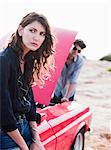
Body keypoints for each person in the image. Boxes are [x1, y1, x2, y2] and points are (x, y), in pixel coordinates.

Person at [0, 12, 55, 150]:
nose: (36, 37)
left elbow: (29, 100)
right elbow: (4, 111)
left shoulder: (28, 60)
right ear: (20, 30)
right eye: (32, 30)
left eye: (42, 34)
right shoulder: (3, 61)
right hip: (6, 133)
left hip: (25, 127)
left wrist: (36, 139)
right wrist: (24, 146)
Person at [50, 39, 86, 104]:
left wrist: (66, 97)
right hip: (57, 89)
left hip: (69, 92)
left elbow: (73, 80)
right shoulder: (60, 56)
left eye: (79, 51)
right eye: (74, 48)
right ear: (70, 46)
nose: (76, 52)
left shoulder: (80, 61)